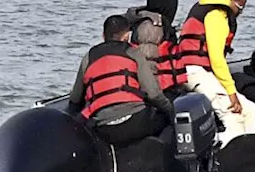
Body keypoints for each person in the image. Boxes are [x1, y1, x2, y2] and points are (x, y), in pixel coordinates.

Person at [177, 0, 255, 140]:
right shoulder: (217, 15)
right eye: (240, 8)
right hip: (194, 70)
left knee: (250, 109)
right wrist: (231, 91)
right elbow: (216, 58)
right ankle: (236, 152)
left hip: (204, 71)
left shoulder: (210, 7)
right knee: (231, 113)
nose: (240, 13)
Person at [68, 14, 176, 146]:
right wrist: (170, 109)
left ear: (103, 36)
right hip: (135, 122)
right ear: (126, 36)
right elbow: (153, 93)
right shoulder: (134, 53)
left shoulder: (89, 57)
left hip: (104, 129)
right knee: (167, 121)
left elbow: (75, 99)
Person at [124, 0, 189, 99]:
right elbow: (147, 64)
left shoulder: (158, 25)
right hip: (158, 91)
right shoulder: (150, 27)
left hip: (168, 87)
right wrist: (156, 97)